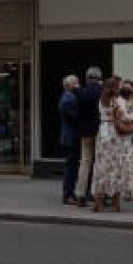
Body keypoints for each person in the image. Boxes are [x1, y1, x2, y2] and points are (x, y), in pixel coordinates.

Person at [91, 77, 133, 212]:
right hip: (117, 136)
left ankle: (98, 202)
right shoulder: (119, 101)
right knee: (118, 167)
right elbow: (125, 117)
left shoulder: (102, 100)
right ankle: (116, 204)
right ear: (116, 87)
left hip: (104, 134)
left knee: (102, 166)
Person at [74, 67, 104, 207]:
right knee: (99, 162)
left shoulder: (81, 91)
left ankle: (80, 194)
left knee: (85, 161)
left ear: (87, 78)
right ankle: (96, 193)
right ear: (99, 78)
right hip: (101, 131)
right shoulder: (103, 91)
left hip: (85, 131)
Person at [58, 75, 81, 206]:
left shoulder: (68, 97)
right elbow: (75, 117)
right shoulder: (69, 99)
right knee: (71, 167)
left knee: (72, 166)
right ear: (70, 85)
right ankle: (68, 195)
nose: (79, 85)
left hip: (70, 136)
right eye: (76, 83)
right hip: (71, 137)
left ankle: (70, 193)